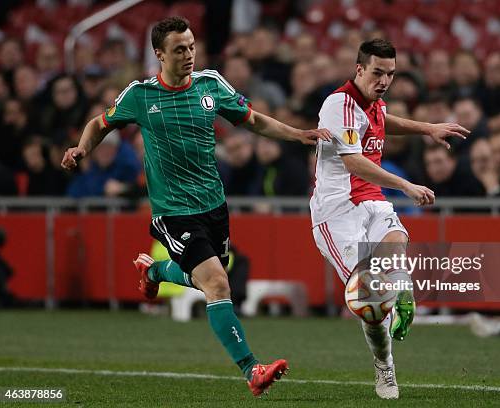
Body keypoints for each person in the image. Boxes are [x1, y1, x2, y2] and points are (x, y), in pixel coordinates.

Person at [61, 16, 330, 397]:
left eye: (191, 47)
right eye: (179, 49)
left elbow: (252, 120)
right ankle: (252, 369)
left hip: (214, 205)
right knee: (218, 283)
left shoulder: (211, 84)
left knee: (215, 274)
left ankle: (155, 272)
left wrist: (298, 134)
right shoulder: (140, 95)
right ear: (159, 54)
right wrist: (81, 149)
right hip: (172, 211)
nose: (189, 55)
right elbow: (100, 123)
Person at [310, 39, 468, 399]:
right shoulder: (339, 104)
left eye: (390, 74)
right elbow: (351, 160)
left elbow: (382, 120)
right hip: (336, 213)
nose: (384, 80)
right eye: (377, 72)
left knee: (396, 241)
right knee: (370, 303)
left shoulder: (372, 104)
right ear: (359, 69)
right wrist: (405, 185)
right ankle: (385, 366)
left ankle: (400, 287)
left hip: (371, 201)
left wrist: (427, 128)